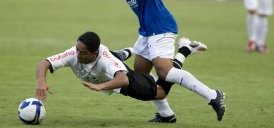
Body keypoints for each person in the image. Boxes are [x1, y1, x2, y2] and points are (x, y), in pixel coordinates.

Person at [97, 0, 226, 122]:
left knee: (164, 71)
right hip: (147, 31)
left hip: (160, 27)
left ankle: (213, 95)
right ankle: (166, 115)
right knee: (142, 77)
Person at [36, 31, 205, 104]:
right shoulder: (73, 53)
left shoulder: (104, 58)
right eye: (77, 50)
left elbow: (123, 79)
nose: (77, 55)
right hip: (108, 68)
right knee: (113, 59)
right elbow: (44, 63)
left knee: (160, 92)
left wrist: (100, 86)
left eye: (82, 53)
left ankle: (185, 49)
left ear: (94, 53)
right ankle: (126, 52)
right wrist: (41, 81)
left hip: (118, 78)